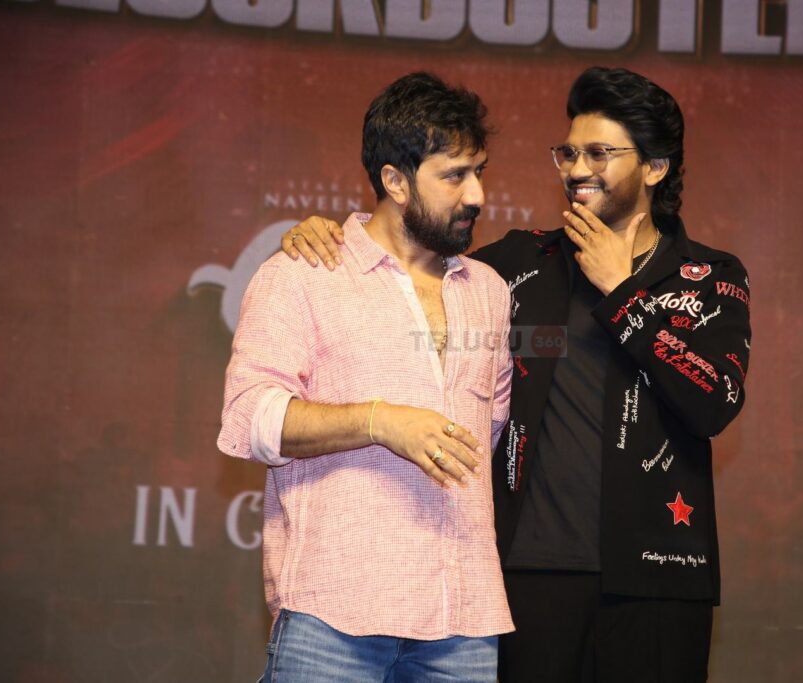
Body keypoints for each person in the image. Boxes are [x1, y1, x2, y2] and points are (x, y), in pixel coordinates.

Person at [282, 66, 751, 682]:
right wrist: (328, 235)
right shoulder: (519, 263)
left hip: (660, 576)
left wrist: (623, 292)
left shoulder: (710, 276)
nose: (577, 169)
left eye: (599, 154)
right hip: (529, 577)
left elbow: (715, 402)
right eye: (569, 153)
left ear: (655, 167)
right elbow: (408, 253)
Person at [218, 72, 514, 682]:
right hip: (333, 616)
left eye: (479, 171)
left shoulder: (488, 291)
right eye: (454, 175)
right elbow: (249, 421)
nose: (477, 194)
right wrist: (379, 422)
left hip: (463, 620)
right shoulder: (303, 274)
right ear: (395, 181)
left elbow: (491, 430)